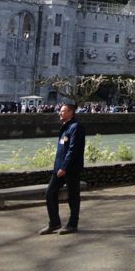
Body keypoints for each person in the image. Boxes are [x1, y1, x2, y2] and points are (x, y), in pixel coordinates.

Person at [38, 101, 86, 235]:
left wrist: (64, 167)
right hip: (59, 167)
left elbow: (73, 149)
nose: (60, 112)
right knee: (50, 192)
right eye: (60, 110)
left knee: (73, 196)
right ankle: (54, 223)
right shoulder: (66, 126)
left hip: (71, 168)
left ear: (70, 112)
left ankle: (72, 224)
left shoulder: (76, 127)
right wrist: (58, 167)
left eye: (63, 111)